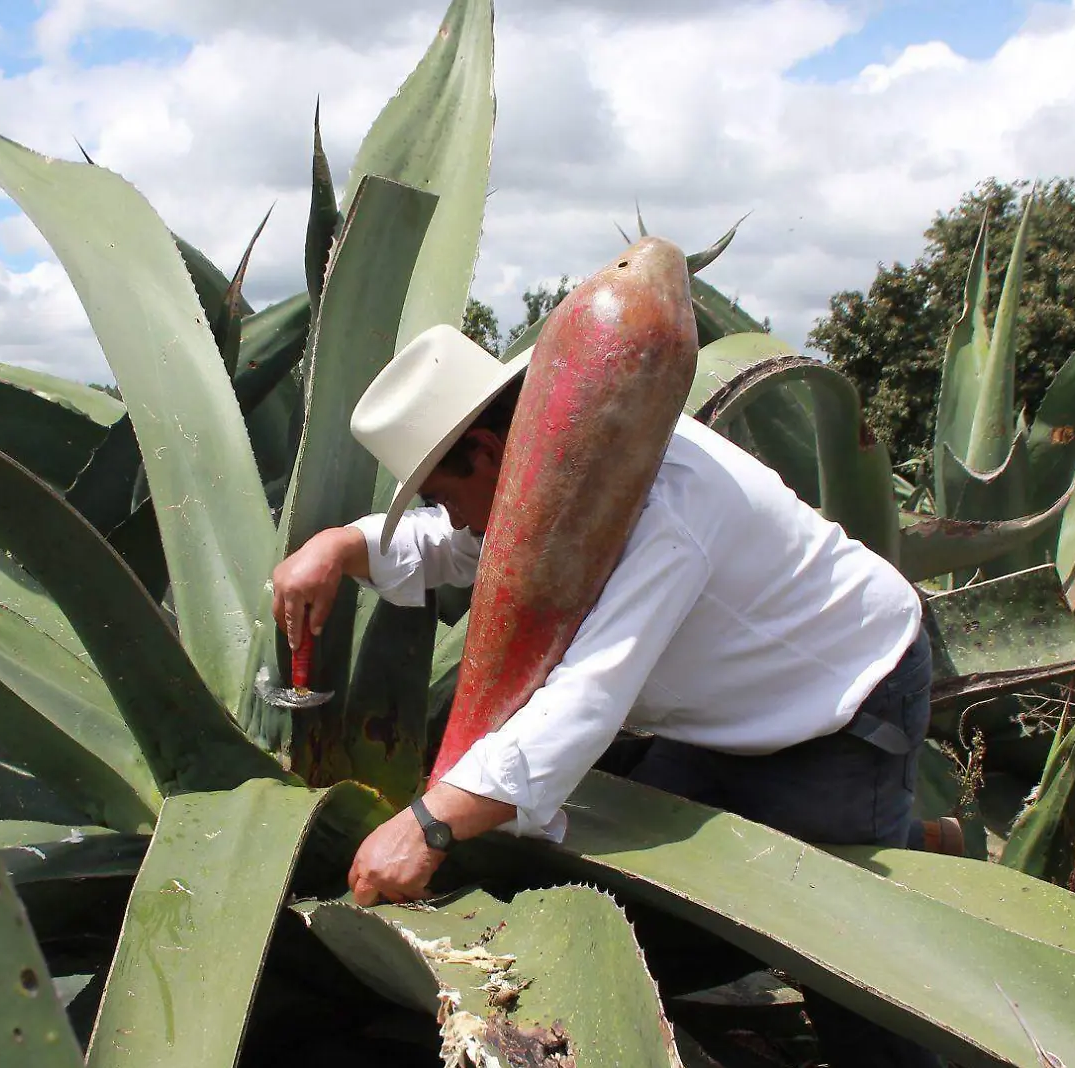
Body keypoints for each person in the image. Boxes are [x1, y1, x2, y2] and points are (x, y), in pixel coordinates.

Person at [272, 323, 944, 1066]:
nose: (451, 513)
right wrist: (339, 547)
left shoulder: (667, 504)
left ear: (490, 454)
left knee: (844, 959)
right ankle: (916, 847)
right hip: (716, 718)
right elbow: (465, 544)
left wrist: (427, 825)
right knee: (650, 907)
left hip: (838, 704)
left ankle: (902, 870)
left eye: (442, 492)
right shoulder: (556, 463)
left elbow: (587, 697)